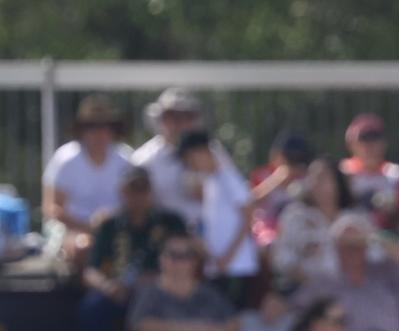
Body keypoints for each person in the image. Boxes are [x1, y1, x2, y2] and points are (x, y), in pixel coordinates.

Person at [80, 165, 188, 331]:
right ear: (122, 192)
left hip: (160, 292)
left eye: (143, 190)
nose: (138, 196)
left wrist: (153, 279)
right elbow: (91, 270)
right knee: (92, 310)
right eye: (132, 190)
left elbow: (188, 258)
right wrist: (107, 286)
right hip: (118, 292)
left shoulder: (170, 222)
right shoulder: (109, 225)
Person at [290, 213, 399, 331]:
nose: (352, 251)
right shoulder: (323, 282)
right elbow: (297, 313)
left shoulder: (385, 270)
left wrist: (372, 239)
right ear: (336, 248)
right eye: (346, 246)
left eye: (357, 245)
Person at [131, 88, 239, 230]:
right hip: (165, 234)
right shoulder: (144, 159)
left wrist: (207, 193)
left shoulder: (212, 152)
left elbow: (233, 192)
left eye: (187, 117)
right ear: (161, 120)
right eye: (172, 116)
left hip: (210, 231)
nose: (180, 123)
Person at [41, 94, 133, 261]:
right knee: (83, 246)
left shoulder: (125, 159)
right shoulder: (66, 159)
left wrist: (110, 221)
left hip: (118, 228)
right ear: (81, 130)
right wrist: (86, 226)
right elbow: (52, 207)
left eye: (105, 126)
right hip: (71, 228)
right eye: (92, 127)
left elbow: (135, 200)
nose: (99, 133)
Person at [176, 130, 257, 305]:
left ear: (202, 152)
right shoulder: (211, 182)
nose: (191, 166)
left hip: (236, 267)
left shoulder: (228, 177)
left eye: (191, 159)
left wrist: (228, 257)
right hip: (220, 267)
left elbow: (248, 214)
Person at [272, 157, 361, 287]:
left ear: (337, 182)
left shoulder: (355, 218)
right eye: (312, 177)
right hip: (304, 291)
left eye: (322, 177)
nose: (315, 183)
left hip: (350, 290)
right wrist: (299, 274)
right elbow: (281, 257)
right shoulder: (294, 216)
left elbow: (375, 255)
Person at [341, 113, 399, 229]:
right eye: (363, 139)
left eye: (375, 138)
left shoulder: (396, 174)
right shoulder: (342, 172)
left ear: (384, 143)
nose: (369, 145)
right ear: (351, 144)